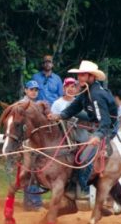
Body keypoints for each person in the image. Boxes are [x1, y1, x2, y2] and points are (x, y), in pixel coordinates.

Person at [48, 60, 117, 190]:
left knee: (85, 156)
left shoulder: (96, 95)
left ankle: (82, 186)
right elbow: (75, 107)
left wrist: (98, 135)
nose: (79, 78)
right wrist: (60, 115)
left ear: (92, 77)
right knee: (69, 108)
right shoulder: (86, 91)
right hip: (94, 118)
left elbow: (105, 121)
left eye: (83, 75)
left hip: (107, 125)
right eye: (79, 75)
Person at [20, 80, 43, 211]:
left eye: (36, 90)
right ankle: (34, 203)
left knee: (32, 171)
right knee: (32, 171)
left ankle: (29, 203)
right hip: (28, 143)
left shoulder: (36, 105)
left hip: (36, 142)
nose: (34, 92)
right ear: (26, 90)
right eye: (31, 89)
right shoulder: (22, 105)